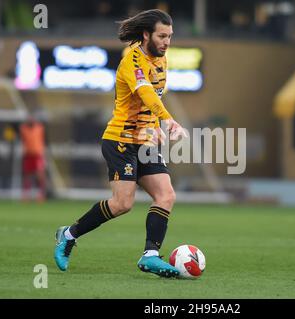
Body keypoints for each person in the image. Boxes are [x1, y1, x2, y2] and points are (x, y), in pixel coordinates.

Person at [54, 9, 187, 278]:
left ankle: (150, 255)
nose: (167, 42)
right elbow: (145, 93)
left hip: (145, 141)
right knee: (123, 203)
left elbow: (153, 97)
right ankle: (68, 234)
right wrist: (167, 119)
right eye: (162, 36)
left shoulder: (162, 60)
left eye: (170, 36)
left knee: (166, 195)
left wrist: (153, 126)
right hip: (120, 140)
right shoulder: (132, 61)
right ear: (146, 34)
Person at [20, 115, 47, 201]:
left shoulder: (40, 128)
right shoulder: (23, 128)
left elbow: (43, 140)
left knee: (39, 175)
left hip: (37, 154)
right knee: (27, 175)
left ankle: (41, 194)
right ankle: (26, 195)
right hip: (28, 154)